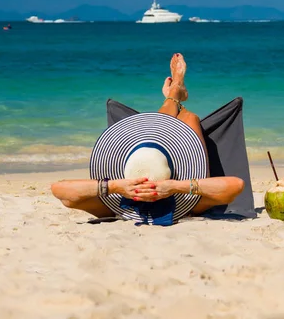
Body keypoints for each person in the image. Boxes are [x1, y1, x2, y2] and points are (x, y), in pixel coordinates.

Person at [51, 53, 245, 222]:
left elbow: (61, 190)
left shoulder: (116, 205)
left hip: (135, 193)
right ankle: (176, 94)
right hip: (178, 193)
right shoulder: (187, 203)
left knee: (178, 123)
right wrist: (175, 187)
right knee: (190, 118)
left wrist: (116, 187)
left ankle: (175, 94)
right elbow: (235, 186)